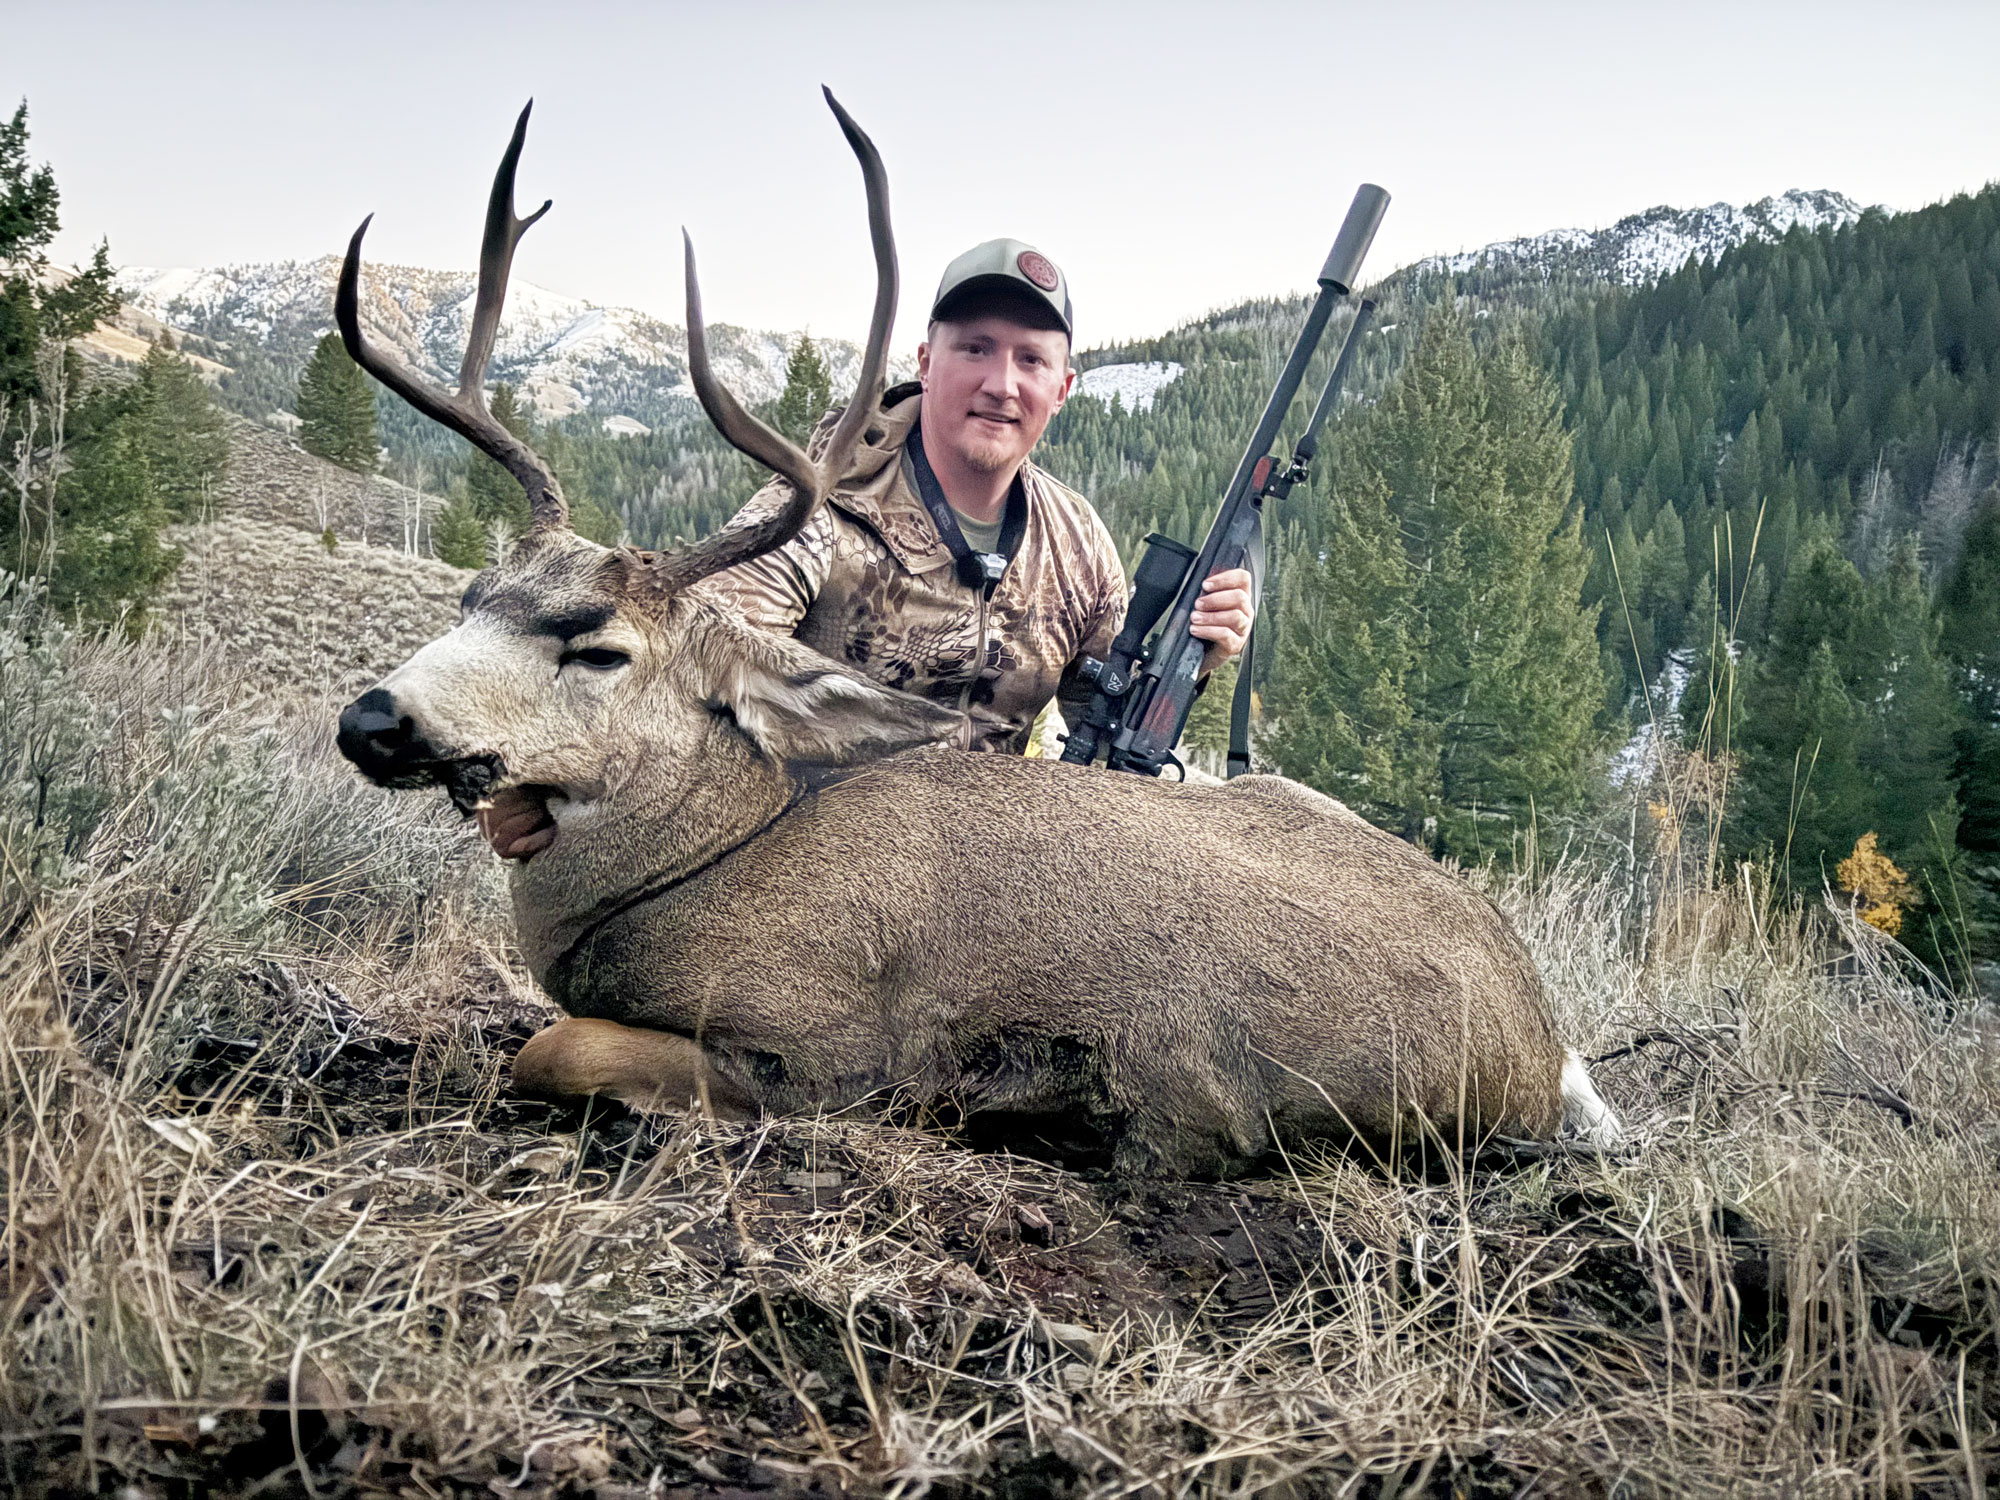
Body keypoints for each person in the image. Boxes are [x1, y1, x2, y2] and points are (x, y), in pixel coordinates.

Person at [699, 238, 1254, 756]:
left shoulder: (1076, 544)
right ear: (925, 361)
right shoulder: (817, 512)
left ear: (1062, 390)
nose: (1001, 385)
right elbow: (698, 679)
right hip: (824, 836)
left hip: (994, 847)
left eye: (1031, 360)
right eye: (975, 349)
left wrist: (1194, 659)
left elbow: (1106, 724)